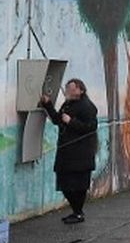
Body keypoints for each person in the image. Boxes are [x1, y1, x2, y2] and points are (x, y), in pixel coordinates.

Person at [40, 79, 98, 224]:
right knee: (65, 183)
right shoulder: (67, 105)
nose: (67, 91)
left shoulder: (88, 107)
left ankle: (78, 212)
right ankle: (76, 211)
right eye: (67, 88)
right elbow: (57, 120)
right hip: (66, 152)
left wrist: (71, 122)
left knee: (79, 185)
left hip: (81, 153)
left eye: (71, 88)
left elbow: (90, 127)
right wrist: (47, 104)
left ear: (80, 90)